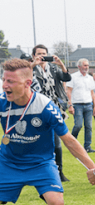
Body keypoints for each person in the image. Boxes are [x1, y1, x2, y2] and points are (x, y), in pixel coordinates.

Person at [1, 58, 95, 205]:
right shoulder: (2, 101)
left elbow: (69, 140)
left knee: (57, 203)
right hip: (9, 163)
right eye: (4, 80)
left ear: (28, 83)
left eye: (10, 81)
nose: (5, 85)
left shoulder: (45, 106)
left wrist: (93, 169)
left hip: (41, 163)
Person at [31, 45, 72, 182]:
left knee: (57, 143)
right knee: (38, 141)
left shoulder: (53, 68)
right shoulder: (30, 69)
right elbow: (23, 79)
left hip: (54, 108)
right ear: (33, 56)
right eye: (39, 54)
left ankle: (59, 172)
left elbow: (66, 78)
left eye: (44, 53)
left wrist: (60, 64)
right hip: (37, 108)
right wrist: (32, 65)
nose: (42, 56)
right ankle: (38, 172)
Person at [65, 58, 95, 153]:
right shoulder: (73, 77)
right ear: (79, 66)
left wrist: (94, 106)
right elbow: (69, 91)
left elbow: (92, 93)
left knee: (89, 126)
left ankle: (87, 146)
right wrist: (70, 105)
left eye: (87, 65)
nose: (87, 67)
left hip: (88, 104)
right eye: (85, 65)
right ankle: (71, 143)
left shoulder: (90, 78)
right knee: (78, 125)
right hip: (77, 105)